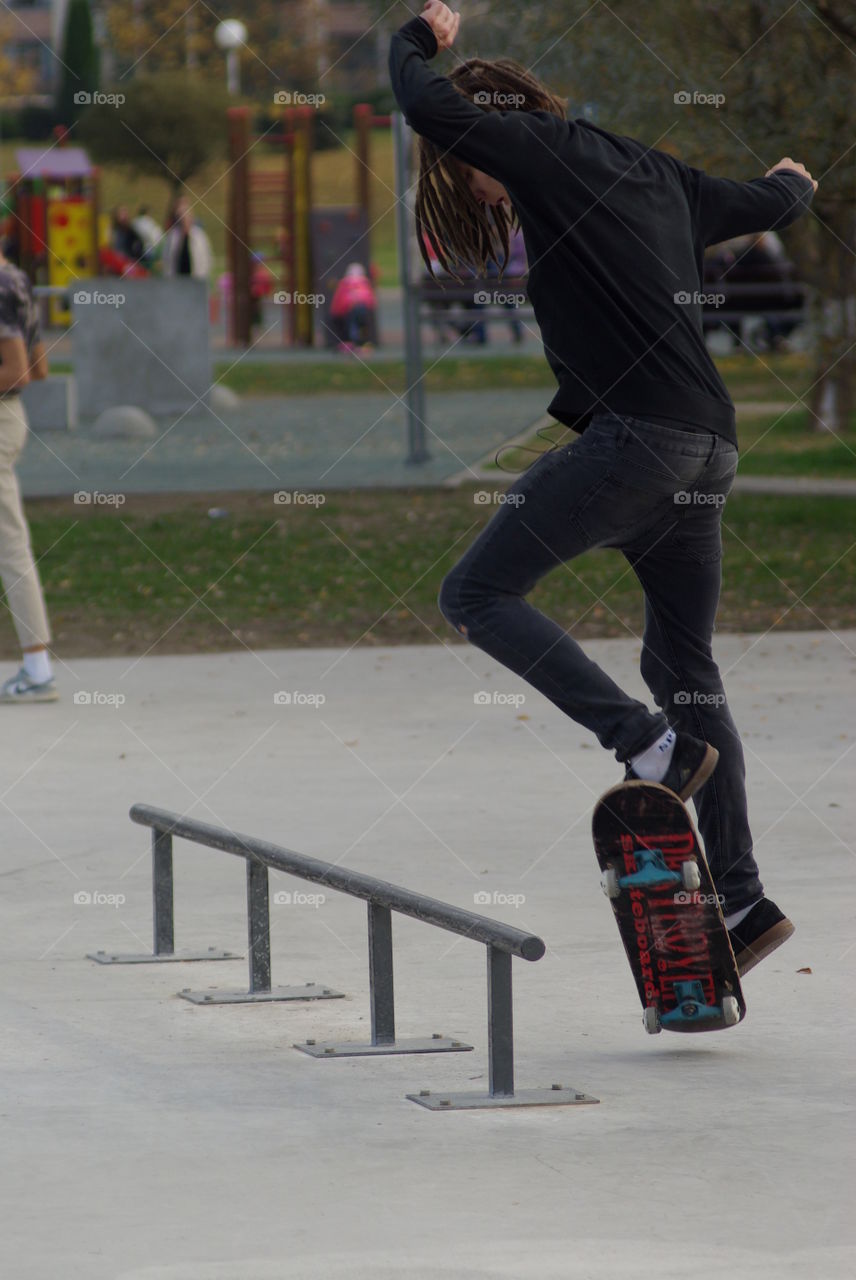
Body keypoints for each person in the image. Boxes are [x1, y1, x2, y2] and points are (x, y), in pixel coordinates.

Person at [389, 1, 818, 974]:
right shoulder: (656, 172)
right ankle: (744, 901)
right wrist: (792, 182)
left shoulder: (535, 148)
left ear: (498, 130)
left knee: (476, 593)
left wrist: (418, 35)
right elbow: (762, 202)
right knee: (686, 665)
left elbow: (421, 102)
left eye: (471, 168)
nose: (480, 190)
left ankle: (643, 741)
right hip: (708, 451)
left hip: (639, 444)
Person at [0, 240, 58, 702]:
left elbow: (17, 370)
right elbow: (41, 368)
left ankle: (37, 671)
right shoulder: (17, 279)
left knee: (9, 542)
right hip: (11, 420)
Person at [160, 196, 212, 279]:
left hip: (196, 278)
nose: (185, 221)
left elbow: (206, 258)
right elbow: (167, 259)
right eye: (182, 218)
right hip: (177, 279)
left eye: (187, 218)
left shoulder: (199, 236)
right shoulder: (173, 237)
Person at [329, 262, 377, 350]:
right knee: (357, 321)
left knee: (353, 321)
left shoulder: (344, 284)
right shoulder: (364, 283)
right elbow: (370, 301)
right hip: (354, 312)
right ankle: (358, 342)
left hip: (347, 313)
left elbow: (338, 304)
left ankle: (352, 342)